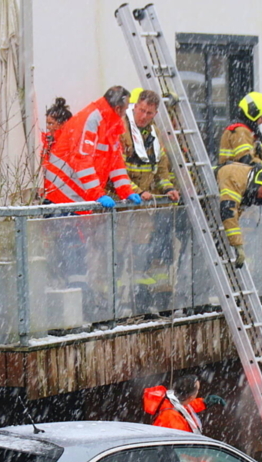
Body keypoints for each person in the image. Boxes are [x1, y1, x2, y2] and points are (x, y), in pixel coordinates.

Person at [42, 86, 142, 293]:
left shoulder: (109, 123)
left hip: (77, 196)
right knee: (72, 251)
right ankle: (77, 296)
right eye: (125, 108)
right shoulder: (92, 119)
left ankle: (80, 295)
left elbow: (115, 162)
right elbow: (82, 160)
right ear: (118, 108)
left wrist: (126, 190)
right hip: (63, 195)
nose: (126, 113)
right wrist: (98, 194)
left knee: (77, 252)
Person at [116, 88, 180, 314]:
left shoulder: (155, 134)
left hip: (143, 207)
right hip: (120, 204)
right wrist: (136, 191)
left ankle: (140, 303)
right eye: (141, 110)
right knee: (114, 256)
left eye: (149, 113)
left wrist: (168, 188)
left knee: (141, 256)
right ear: (135, 106)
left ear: (155, 114)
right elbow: (116, 169)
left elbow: (161, 169)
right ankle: (108, 308)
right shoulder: (121, 130)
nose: (143, 116)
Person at [216, 162, 262, 268]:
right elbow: (228, 212)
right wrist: (237, 245)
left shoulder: (249, 185)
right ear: (260, 180)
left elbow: (234, 214)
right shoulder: (236, 178)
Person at [143, 374, 226, 434]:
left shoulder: (171, 400)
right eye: (198, 390)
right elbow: (182, 447)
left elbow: (186, 407)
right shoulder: (173, 420)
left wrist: (204, 402)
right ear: (191, 397)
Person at [218, 92, 262, 167]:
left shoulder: (247, 131)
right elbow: (246, 160)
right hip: (235, 173)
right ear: (253, 113)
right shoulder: (240, 130)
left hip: (238, 172)